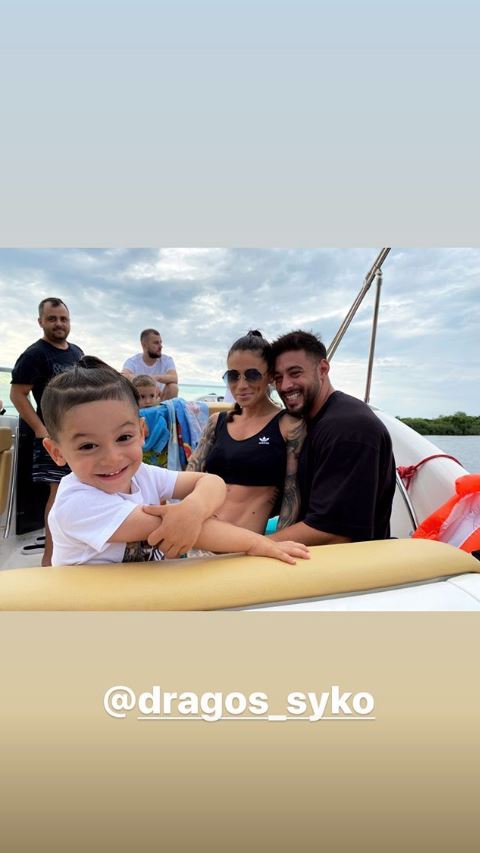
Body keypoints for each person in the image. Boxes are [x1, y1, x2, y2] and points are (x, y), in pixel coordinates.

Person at [41, 356, 310, 567]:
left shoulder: (142, 474)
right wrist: (257, 544)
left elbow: (212, 481)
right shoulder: (75, 503)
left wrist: (194, 507)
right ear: (57, 452)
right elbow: (183, 529)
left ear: (142, 432)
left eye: (123, 437)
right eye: (88, 446)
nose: (112, 458)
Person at [268, 330, 396, 546]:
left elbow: (333, 532)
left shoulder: (348, 428)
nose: (285, 386)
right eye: (278, 378)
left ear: (323, 369)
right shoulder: (309, 422)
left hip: (345, 561)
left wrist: (252, 547)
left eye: (295, 373)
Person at [185, 330, 306, 535]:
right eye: (233, 376)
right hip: (198, 536)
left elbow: (291, 495)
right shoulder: (216, 422)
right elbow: (189, 478)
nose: (241, 385)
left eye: (252, 375)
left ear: (270, 376)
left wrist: (277, 543)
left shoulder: (288, 425)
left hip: (243, 543)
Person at [10, 297, 84, 565]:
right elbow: (17, 395)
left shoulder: (76, 352)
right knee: (59, 493)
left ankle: (77, 550)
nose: (59, 324)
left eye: (63, 319)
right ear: (40, 321)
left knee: (81, 490)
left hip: (77, 434)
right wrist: (41, 430)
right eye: (52, 319)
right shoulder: (34, 354)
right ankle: (49, 560)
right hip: (53, 436)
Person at [122, 329, 178, 401]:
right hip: (140, 400)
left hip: (160, 400)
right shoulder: (133, 361)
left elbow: (174, 377)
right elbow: (123, 376)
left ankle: (165, 408)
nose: (161, 346)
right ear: (144, 345)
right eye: (156, 343)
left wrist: (156, 378)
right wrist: (147, 382)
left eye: (160, 342)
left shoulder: (167, 360)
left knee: (173, 387)